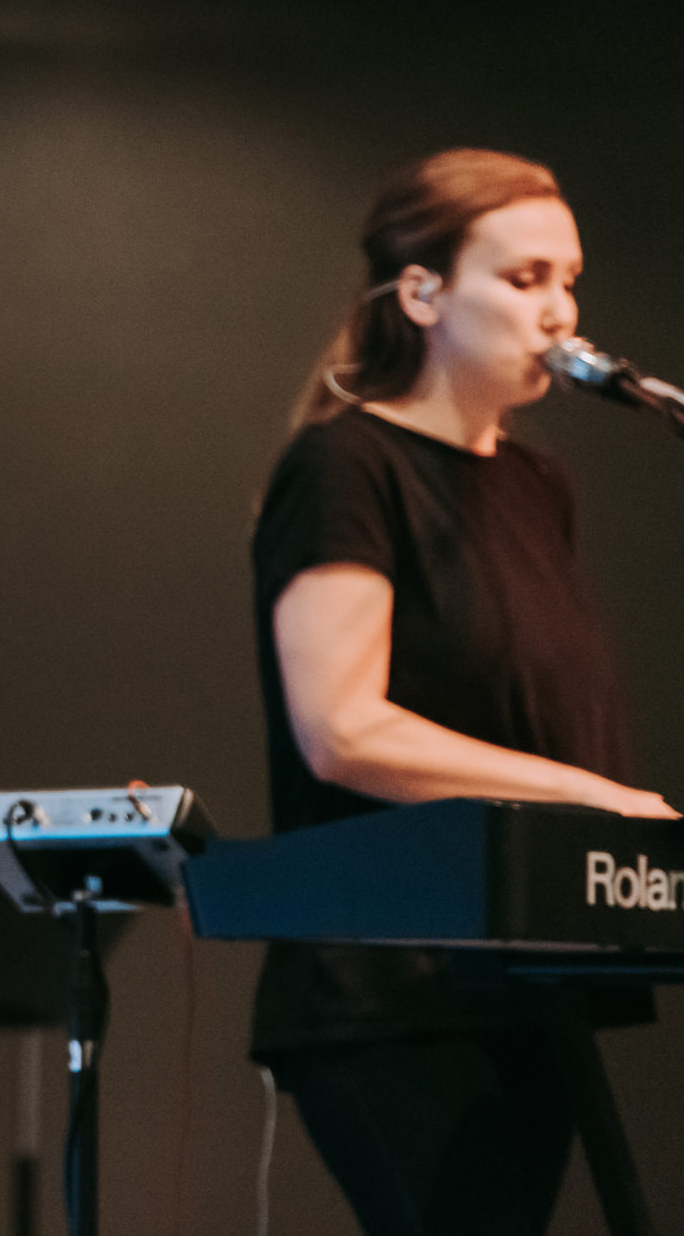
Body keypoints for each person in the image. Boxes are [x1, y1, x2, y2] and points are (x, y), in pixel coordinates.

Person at [250, 146, 674, 1236]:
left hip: (526, 969)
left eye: (568, 279)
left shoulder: (535, 484)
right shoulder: (347, 466)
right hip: (390, 987)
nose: (559, 310)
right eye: (524, 278)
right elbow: (341, 728)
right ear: (422, 292)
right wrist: (587, 796)